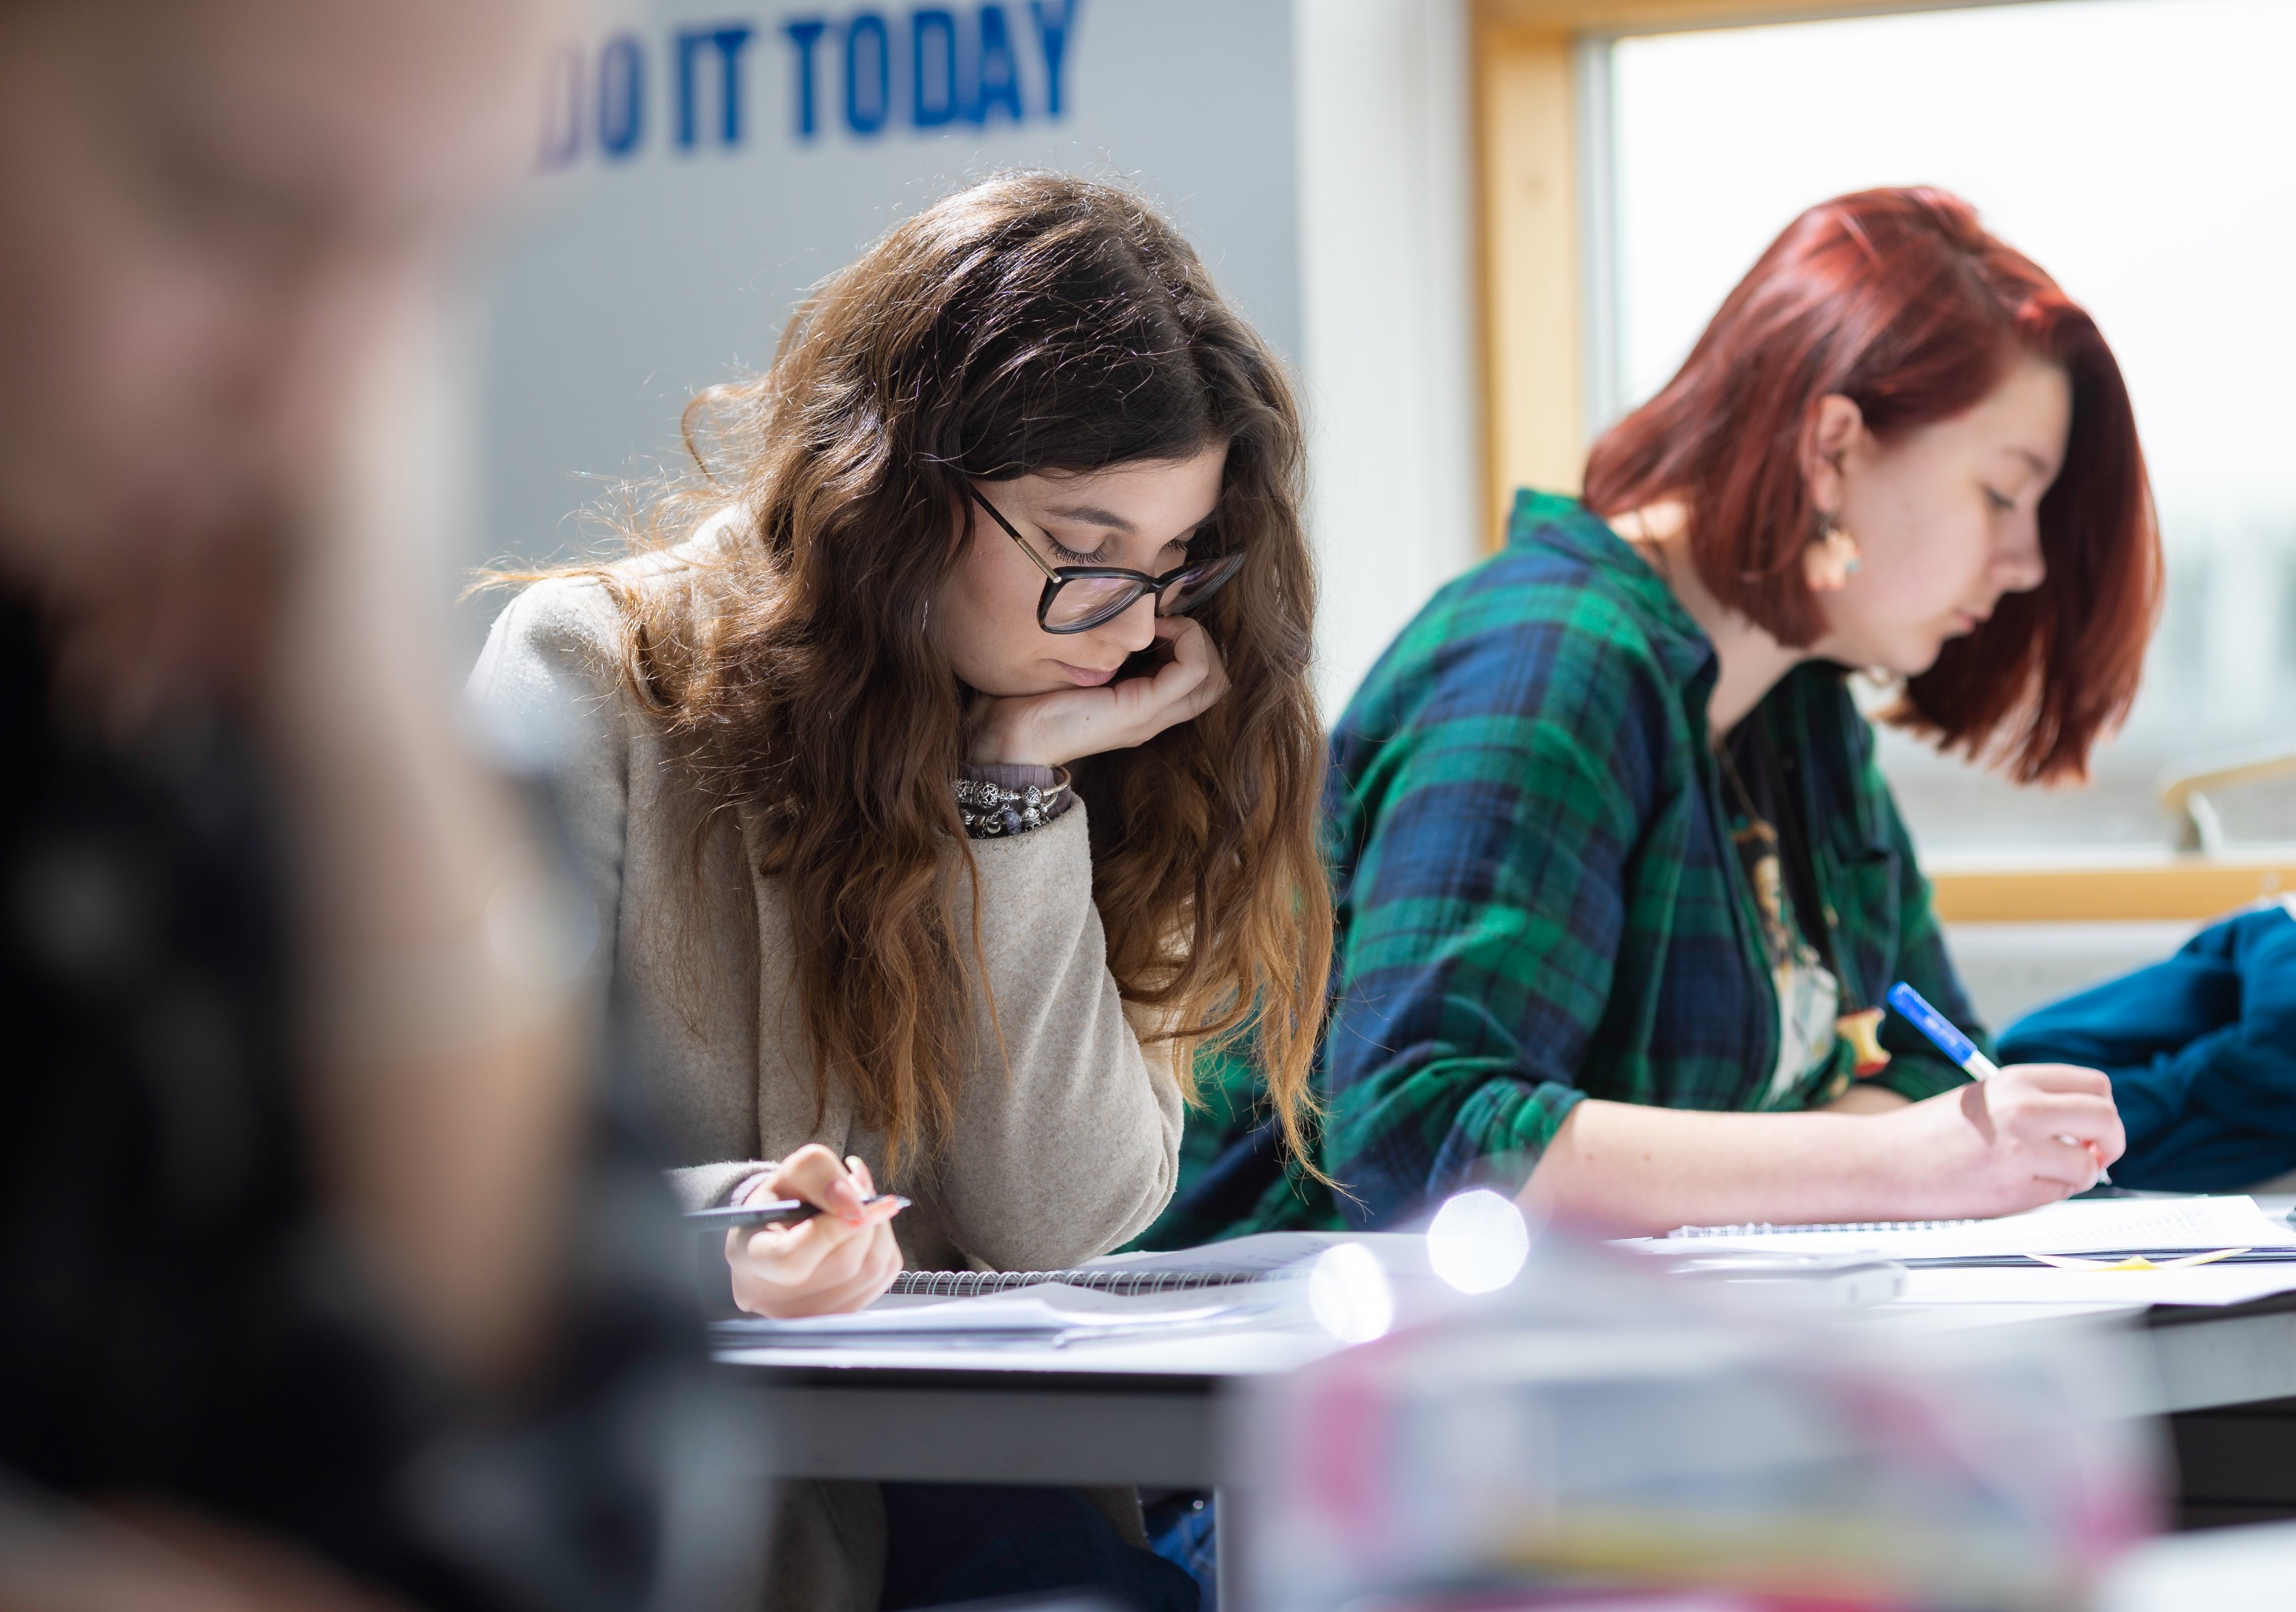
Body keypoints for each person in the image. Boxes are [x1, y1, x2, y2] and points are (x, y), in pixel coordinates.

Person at [0, 1, 737, 1606]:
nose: (312, 396)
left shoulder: (184, 672)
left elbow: (604, 1505)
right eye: (236, 205)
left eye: (436, 248)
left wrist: (369, 743)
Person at [470, 171, 1331, 1610]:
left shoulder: (1113, 740)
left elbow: (1060, 1218)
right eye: (1082, 554)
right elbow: (467, 1171)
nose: (1130, 632)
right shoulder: (594, 673)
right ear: (903, 481)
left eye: (1175, 563)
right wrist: (726, 1236)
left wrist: (1015, 791)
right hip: (677, 1506)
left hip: (980, 1496)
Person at [1319, 188, 2157, 1236]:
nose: (2027, 560)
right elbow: (1421, 1141)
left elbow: (1936, 1063)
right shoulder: (1547, 660)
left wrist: (1894, 1153)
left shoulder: (1800, 711)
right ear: (1834, 449)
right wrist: (1890, 1163)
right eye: (2002, 494)